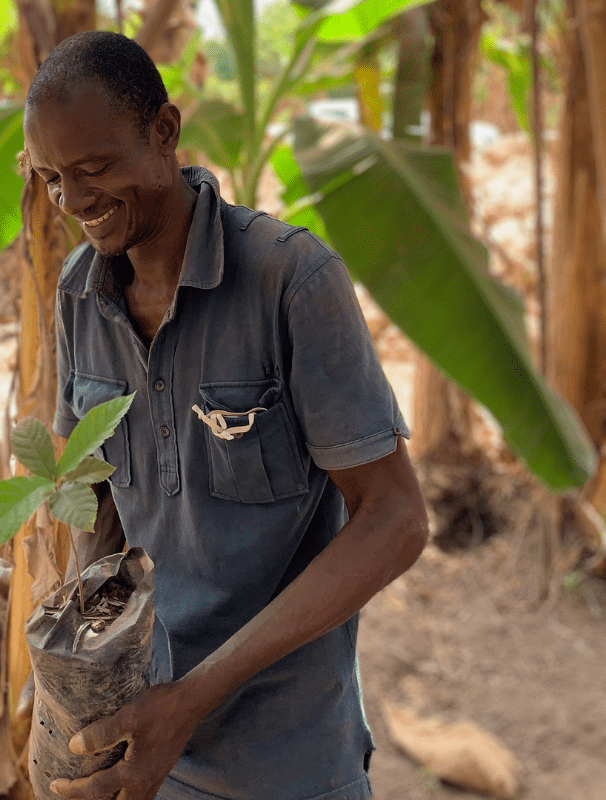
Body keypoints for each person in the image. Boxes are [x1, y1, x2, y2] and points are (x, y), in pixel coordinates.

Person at [22, 30, 429, 800]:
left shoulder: (292, 281)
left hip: (291, 761)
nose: (73, 203)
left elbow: (397, 519)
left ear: (163, 133)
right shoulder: (80, 295)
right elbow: (103, 501)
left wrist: (191, 699)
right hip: (144, 755)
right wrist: (82, 674)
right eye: (50, 180)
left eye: (95, 169)